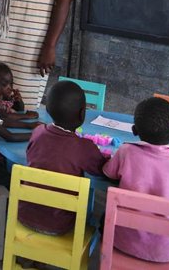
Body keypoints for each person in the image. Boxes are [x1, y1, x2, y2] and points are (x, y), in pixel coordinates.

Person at [17, 80, 106, 235]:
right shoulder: (84, 147)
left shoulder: (38, 133)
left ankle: (34, 256)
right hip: (59, 224)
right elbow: (102, 170)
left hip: (24, 216)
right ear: (82, 113)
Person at [103, 97, 169, 263]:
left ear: (134, 130)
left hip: (120, 243)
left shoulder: (125, 152)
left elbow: (108, 174)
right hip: (164, 254)